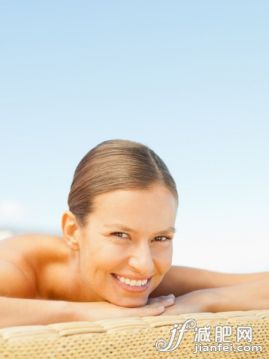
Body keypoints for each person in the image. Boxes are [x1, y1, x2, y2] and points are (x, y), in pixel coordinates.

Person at [0, 139, 268, 329]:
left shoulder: (153, 281)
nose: (144, 265)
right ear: (72, 231)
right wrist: (80, 312)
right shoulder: (21, 266)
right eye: (120, 235)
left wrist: (206, 299)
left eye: (160, 238)